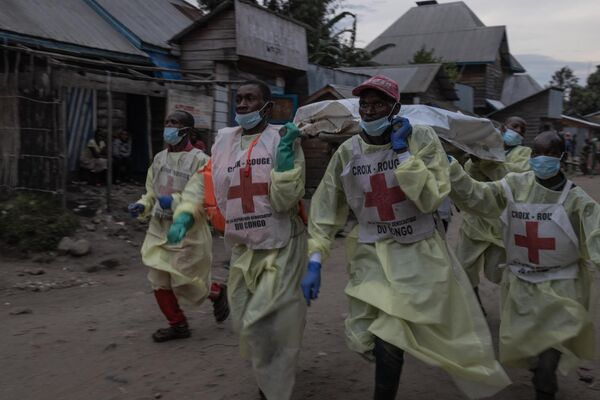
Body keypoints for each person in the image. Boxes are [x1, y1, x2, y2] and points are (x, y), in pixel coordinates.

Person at [301, 75, 510, 400]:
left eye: (378, 104)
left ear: (395, 108)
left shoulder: (421, 140)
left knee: (391, 335)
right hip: (371, 255)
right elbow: (327, 206)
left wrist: (401, 154)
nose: (369, 111)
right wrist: (315, 259)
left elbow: (428, 198)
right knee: (366, 335)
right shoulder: (347, 152)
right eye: (365, 105)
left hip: (418, 255)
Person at [447, 131, 600, 400]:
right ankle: (541, 373)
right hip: (521, 284)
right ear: (531, 155)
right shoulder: (513, 185)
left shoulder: (577, 199)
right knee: (530, 346)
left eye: (551, 154)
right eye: (539, 153)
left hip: (561, 285)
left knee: (550, 351)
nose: (544, 159)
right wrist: (449, 167)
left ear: (562, 158)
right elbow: (476, 195)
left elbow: (596, 234)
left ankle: (545, 387)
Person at [211, 80, 307, 400]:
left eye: (250, 99)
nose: (242, 105)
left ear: (267, 105)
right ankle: (270, 372)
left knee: (269, 319)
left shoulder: (283, 138)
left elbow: (284, 201)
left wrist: (282, 158)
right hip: (244, 245)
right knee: (245, 320)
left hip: (280, 244)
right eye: (238, 99)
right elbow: (222, 195)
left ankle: (274, 388)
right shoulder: (224, 142)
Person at [128, 110, 229, 342]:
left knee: (185, 281)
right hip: (159, 229)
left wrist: (174, 201)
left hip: (188, 233)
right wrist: (142, 205)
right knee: (159, 280)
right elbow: (151, 192)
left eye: (174, 123)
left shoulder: (201, 161)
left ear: (187, 130)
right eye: (167, 122)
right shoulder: (159, 159)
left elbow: (204, 198)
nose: (169, 127)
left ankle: (216, 292)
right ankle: (178, 324)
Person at [455, 116, 532, 308]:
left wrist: (486, 161)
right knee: (463, 267)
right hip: (475, 221)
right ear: (503, 126)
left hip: (501, 222)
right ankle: (475, 307)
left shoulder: (524, 153)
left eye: (522, 129)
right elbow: (469, 178)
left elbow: (514, 178)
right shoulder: (484, 147)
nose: (519, 131)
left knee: (497, 271)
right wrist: (476, 160)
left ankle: (518, 308)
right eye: (515, 126)